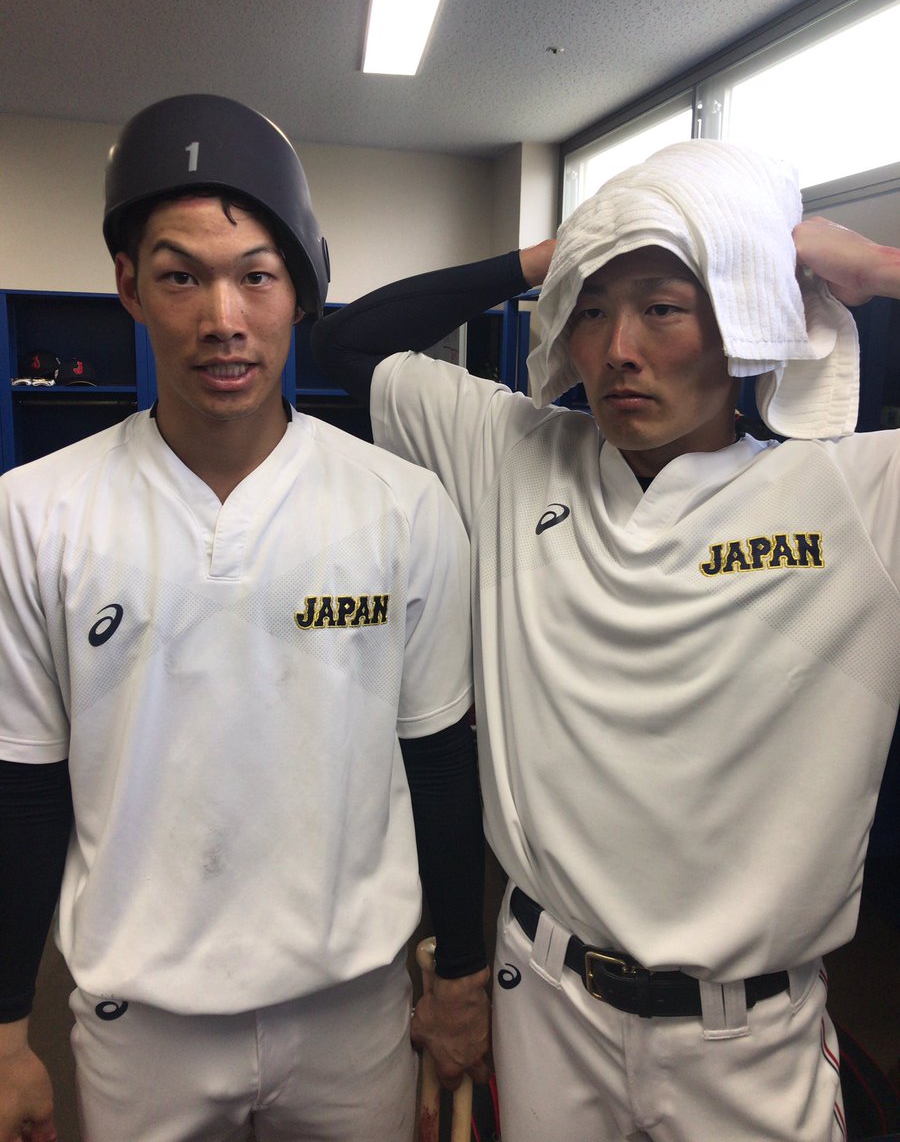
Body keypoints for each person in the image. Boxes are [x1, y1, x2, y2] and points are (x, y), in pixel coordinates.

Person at [312, 139, 900, 1142]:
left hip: (749, 1039)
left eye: (662, 308)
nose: (618, 347)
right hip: (547, 999)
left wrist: (881, 270)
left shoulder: (853, 495)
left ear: (744, 315)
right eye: (590, 311)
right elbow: (345, 343)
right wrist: (567, 249)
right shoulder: (515, 454)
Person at [0, 93, 490, 1142]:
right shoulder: (35, 513)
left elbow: (440, 761)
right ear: (129, 287)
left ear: (301, 292)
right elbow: (24, 787)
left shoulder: (403, 507)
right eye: (181, 276)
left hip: (354, 1010)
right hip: (141, 1025)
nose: (222, 318)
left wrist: (460, 976)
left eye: (257, 276)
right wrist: (3, 1030)